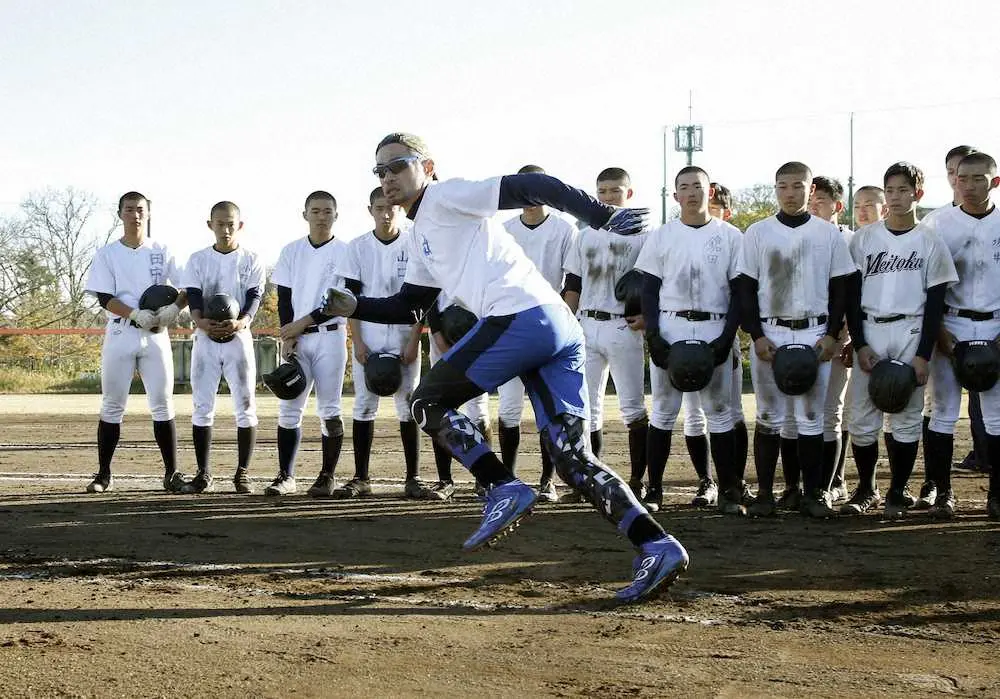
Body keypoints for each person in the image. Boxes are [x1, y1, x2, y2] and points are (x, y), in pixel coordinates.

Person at [323, 132, 688, 602]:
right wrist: (356, 305)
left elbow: (533, 187)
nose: (387, 177)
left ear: (427, 166)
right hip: (557, 327)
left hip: (522, 318)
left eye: (397, 166)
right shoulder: (420, 237)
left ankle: (501, 486)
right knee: (573, 458)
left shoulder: (447, 195)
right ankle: (657, 545)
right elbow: (411, 305)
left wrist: (601, 216)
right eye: (380, 171)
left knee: (427, 403)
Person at [737, 162, 854, 518]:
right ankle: (765, 494)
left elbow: (842, 287)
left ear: (809, 187)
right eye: (783, 186)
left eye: (798, 186)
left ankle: (814, 494)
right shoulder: (757, 232)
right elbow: (744, 286)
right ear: (775, 189)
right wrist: (755, 335)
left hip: (814, 331)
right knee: (770, 416)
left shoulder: (827, 234)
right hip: (771, 330)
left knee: (810, 417)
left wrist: (833, 334)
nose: (790, 193)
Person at [844, 162, 956, 519]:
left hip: (911, 328)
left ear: (917, 194)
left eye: (903, 190)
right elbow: (850, 296)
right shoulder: (863, 239)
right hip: (871, 328)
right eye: (889, 190)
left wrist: (924, 355)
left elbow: (936, 303)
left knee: (906, 414)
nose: (895, 197)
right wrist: (859, 343)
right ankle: (866, 487)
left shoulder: (929, 240)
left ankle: (897, 490)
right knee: (862, 416)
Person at [634, 167, 744, 515]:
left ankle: (728, 491)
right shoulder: (662, 236)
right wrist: (654, 335)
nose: (692, 192)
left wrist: (728, 338)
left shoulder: (730, 236)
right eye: (684, 187)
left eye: (698, 186)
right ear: (675, 195)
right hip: (672, 325)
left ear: (710, 191)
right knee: (664, 412)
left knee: (720, 413)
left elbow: (741, 292)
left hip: (713, 325)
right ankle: (654, 490)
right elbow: (648, 289)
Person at [83, 191, 188, 493]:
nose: (136, 215)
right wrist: (134, 313)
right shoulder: (107, 254)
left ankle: (171, 473)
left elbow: (187, 287)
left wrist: (173, 309)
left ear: (149, 214)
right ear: (120, 214)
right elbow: (104, 297)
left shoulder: (162, 249)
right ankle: (104, 473)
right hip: (121, 331)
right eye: (129, 209)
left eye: (141, 209)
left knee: (163, 404)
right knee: (113, 404)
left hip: (156, 334)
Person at [562, 168, 650, 499]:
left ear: (629, 193)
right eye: (602, 191)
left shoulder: (645, 236)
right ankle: (591, 479)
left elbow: (653, 284)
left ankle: (638, 481)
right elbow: (573, 284)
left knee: (632, 407)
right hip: (587, 323)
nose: (608, 197)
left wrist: (646, 316)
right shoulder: (585, 235)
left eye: (615, 191)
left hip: (623, 326)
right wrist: (566, 323)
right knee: (587, 407)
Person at [925, 151, 1000, 521]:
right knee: (943, 412)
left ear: (995, 182)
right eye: (962, 179)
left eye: (978, 179)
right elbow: (928, 286)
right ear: (953, 180)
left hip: (996, 325)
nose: (968, 186)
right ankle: (942, 492)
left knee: (997, 415)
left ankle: (997, 496)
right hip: (950, 325)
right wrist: (938, 331)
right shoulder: (937, 223)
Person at [338, 187, 427, 499]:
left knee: (408, 405)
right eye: (379, 207)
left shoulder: (414, 242)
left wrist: (415, 339)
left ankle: (413, 478)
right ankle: (361, 477)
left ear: (400, 209)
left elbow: (422, 297)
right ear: (370, 210)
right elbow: (348, 299)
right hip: (370, 337)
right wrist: (357, 341)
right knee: (364, 405)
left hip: (405, 336)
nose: (386, 213)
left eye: (391, 207)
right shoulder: (357, 247)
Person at [498, 164, 579, 502]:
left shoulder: (564, 229)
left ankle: (548, 480)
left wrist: (559, 328)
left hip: (548, 329)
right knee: (508, 410)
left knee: (547, 410)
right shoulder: (502, 230)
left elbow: (572, 282)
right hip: (510, 327)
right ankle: (509, 479)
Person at [266, 191, 350, 497]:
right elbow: (285, 298)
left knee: (330, 408)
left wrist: (299, 325)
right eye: (315, 211)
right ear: (305, 215)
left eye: (327, 211)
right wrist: (289, 335)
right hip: (299, 340)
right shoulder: (291, 251)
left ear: (336, 216)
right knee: (289, 407)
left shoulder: (346, 251)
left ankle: (326, 476)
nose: (321, 216)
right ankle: (285, 476)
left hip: (330, 336)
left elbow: (340, 300)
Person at [180, 201, 265, 494]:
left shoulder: (251, 258)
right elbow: (193, 294)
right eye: (220, 223)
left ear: (240, 225)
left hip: (238, 338)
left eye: (231, 223)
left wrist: (243, 322)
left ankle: (242, 473)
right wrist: (199, 321)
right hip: (205, 339)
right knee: (202, 407)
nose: (225, 229)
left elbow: (255, 295)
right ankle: (203, 473)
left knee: (245, 405)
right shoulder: (198, 259)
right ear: (210, 225)